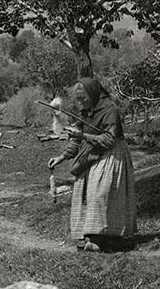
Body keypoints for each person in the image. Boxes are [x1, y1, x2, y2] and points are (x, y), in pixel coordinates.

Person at [48, 77, 136, 252]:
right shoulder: (87, 111)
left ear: (93, 94)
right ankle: (92, 236)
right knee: (85, 193)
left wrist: (83, 137)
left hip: (111, 154)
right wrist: (62, 157)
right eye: (78, 99)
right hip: (93, 152)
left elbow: (109, 139)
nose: (80, 102)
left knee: (100, 194)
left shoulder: (109, 110)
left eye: (83, 98)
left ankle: (110, 236)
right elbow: (77, 137)